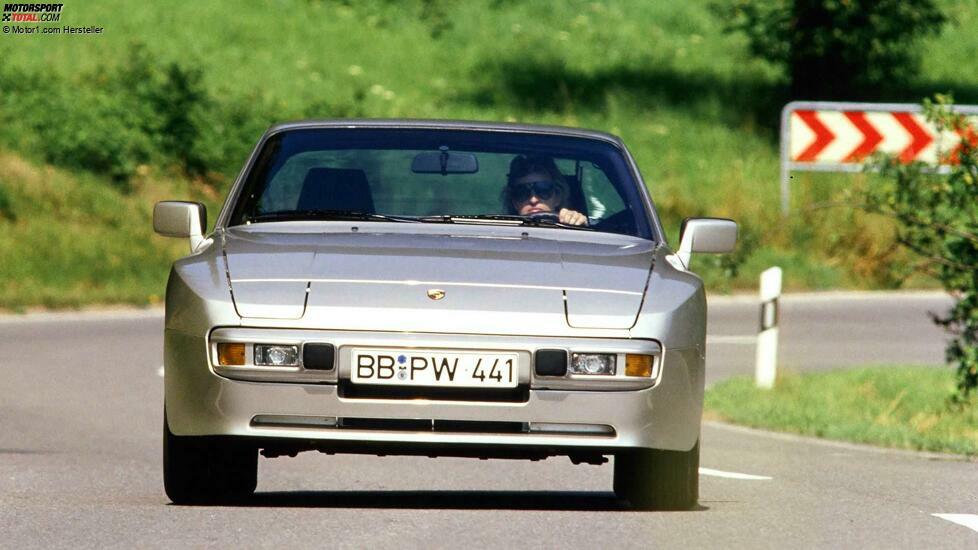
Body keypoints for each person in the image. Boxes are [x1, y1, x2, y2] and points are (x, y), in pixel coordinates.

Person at [502, 155, 588, 226]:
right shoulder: (501, 232)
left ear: (557, 197)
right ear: (514, 202)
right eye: (522, 192)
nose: (533, 200)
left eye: (543, 190)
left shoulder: (570, 228)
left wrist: (577, 222)